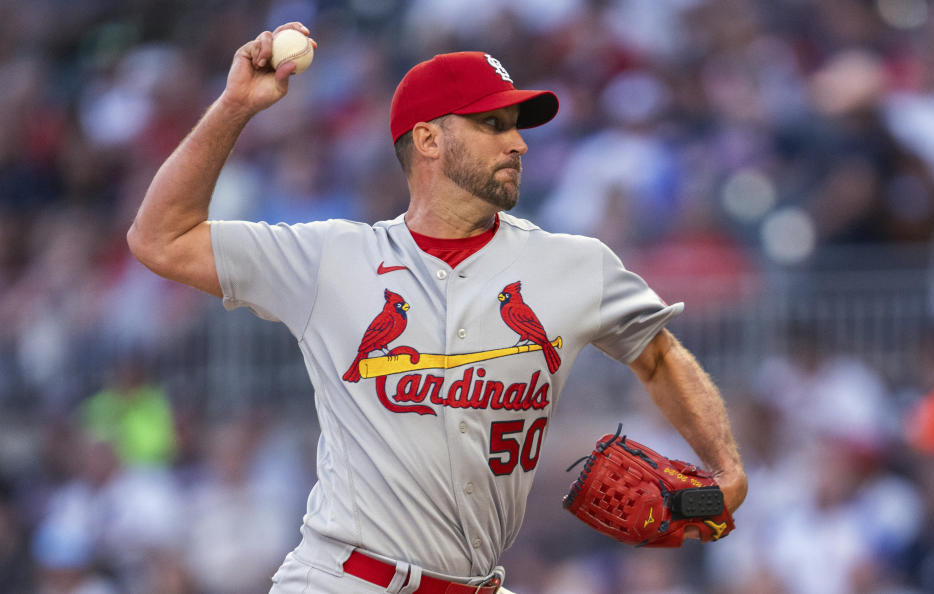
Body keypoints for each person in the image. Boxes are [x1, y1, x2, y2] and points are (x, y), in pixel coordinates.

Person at [127, 22, 747, 594]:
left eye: (516, 124)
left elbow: (659, 355)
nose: (519, 143)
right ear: (428, 138)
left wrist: (724, 467)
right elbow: (160, 239)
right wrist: (236, 107)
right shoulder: (330, 258)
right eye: (492, 125)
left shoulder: (575, 264)